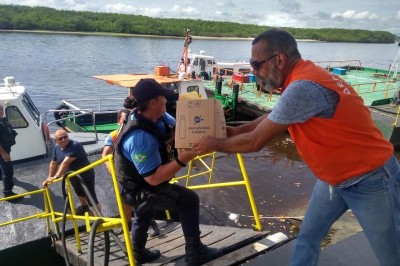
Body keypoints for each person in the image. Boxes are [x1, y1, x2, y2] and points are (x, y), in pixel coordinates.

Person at [193, 29, 400, 266]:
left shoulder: (303, 87)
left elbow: (255, 142)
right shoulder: (304, 76)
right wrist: (236, 131)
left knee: (392, 254)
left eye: (256, 64)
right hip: (334, 180)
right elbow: (277, 115)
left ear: (279, 60)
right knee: (308, 237)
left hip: (369, 178)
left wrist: (213, 144)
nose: (253, 72)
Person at [114, 78, 221, 265]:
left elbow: (178, 126)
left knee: (144, 214)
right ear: (153, 102)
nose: (167, 101)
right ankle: (195, 252)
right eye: (164, 98)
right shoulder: (140, 138)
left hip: (139, 182)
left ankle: (137, 252)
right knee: (189, 200)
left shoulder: (156, 115)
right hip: (138, 188)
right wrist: (182, 159)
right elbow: (154, 179)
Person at [102, 108, 159, 236]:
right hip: (122, 174)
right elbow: (105, 154)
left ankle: (151, 223)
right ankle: (126, 225)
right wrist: (111, 169)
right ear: (118, 121)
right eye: (123, 120)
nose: (125, 122)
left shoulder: (137, 134)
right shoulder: (113, 136)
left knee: (144, 198)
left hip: (138, 172)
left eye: (127, 120)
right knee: (124, 199)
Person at [42, 129, 101, 215]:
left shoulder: (75, 146)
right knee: (79, 192)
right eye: (60, 138)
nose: (63, 139)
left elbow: (65, 163)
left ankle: (100, 220)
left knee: (91, 197)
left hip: (85, 175)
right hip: (72, 175)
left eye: (65, 137)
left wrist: (56, 177)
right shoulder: (56, 147)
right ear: (55, 141)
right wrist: (49, 178)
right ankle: (84, 207)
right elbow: (53, 163)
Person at [0, 104, 22, 202]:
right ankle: (8, 193)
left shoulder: (2, 120)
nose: (0, 111)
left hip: (5, 148)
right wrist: (4, 154)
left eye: (1, 109)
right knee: (8, 171)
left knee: (2, 169)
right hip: (2, 151)